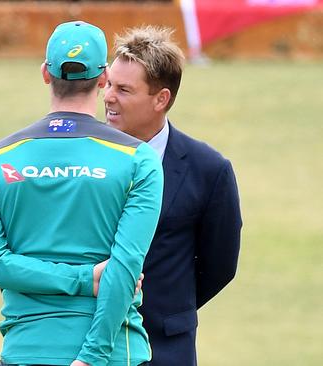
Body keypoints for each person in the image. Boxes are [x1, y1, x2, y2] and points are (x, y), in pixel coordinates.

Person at [0, 21, 163, 366]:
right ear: (103, 79)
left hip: (26, 351)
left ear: (45, 73)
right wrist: (91, 356)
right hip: (115, 354)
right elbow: (125, 267)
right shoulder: (138, 160)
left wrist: (78, 280)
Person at [103, 26, 242, 366]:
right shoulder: (87, 157)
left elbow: (219, 266)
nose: (107, 96)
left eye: (123, 89)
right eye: (107, 83)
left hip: (165, 349)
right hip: (89, 346)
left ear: (161, 99)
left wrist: (171, 308)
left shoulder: (209, 170)